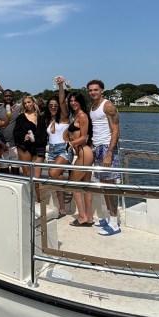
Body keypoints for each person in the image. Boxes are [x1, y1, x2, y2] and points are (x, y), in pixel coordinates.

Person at [87, 79, 122, 236]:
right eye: (91, 90)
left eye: (96, 89)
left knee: (110, 185)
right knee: (103, 184)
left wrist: (109, 153)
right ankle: (108, 217)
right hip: (97, 148)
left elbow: (115, 130)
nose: (93, 92)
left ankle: (114, 223)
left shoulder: (108, 105)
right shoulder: (92, 107)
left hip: (107, 148)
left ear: (102, 90)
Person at [65, 91, 96, 227]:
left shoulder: (82, 116)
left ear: (80, 101)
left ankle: (82, 217)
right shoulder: (77, 115)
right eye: (70, 101)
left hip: (84, 152)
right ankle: (89, 217)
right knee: (86, 185)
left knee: (73, 183)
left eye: (75, 100)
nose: (72, 103)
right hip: (84, 152)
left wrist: (71, 143)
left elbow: (84, 137)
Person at [43, 77, 71, 218]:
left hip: (63, 149)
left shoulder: (64, 117)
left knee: (54, 173)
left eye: (55, 106)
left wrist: (61, 86)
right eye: (50, 106)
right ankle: (62, 209)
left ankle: (66, 192)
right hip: (52, 150)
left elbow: (62, 100)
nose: (53, 107)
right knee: (54, 176)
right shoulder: (49, 119)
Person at [0, 81, 20, 174]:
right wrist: (0, 143)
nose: (8, 97)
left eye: (10, 96)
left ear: (13, 97)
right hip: (2, 145)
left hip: (15, 145)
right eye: (6, 96)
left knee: (15, 171)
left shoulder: (18, 108)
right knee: (4, 172)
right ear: (3, 97)